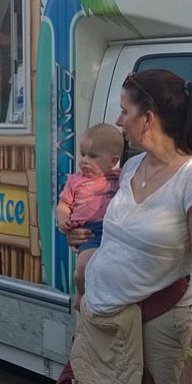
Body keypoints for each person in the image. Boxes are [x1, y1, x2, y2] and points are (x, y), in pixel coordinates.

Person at [67, 69, 192, 384]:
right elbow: (120, 239)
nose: (118, 120)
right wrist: (84, 239)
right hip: (106, 324)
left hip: (159, 324)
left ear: (148, 118)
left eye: (125, 111)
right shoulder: (131, 166)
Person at [56, 123, 123, 311]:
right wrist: (63, 220)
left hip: (114, 231)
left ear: (113, 161)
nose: (84, 160)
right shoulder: (75, 181)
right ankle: (80, 292)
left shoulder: (120, 177)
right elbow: (63, 205)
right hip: (90, 233)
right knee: (85, 268)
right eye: (82, 154)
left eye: (92, 156)